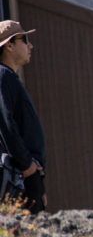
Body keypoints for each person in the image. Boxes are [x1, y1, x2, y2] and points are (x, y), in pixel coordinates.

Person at [0, 21, 46, 214]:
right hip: (18, 176)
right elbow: (5, 124)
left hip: (25, 175)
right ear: (9, 45)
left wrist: (38, 181)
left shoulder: (8, 78)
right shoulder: (2, 76)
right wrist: (28, 166)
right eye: (25, 40)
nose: (30, 46)